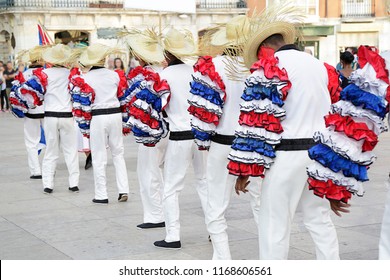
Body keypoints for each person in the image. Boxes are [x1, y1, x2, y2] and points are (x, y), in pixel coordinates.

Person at [230, 9, 340, 259]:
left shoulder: (269, 68)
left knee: (274, 226)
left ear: (265, 46)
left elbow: (254, 122)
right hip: (320, 153)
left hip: (286, 155)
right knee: (320, 221)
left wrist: (244, 169)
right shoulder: (321, 67)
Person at [188, 15, 261, 259]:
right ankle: (269, 258)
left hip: (222, 143)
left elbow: (203, 114)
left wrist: (203, 141)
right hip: (255, 145)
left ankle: (223, 259)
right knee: (262, 205)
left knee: (216, 205)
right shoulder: (260, 67)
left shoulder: (213, 66)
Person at [153, 28, 208, 249]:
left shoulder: (162, 75)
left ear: (166, 54)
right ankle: (214, 230)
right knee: (204, 183)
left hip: (179, 136)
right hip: (200, 136)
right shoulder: (196, 72)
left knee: (171, 188)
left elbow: (157, 107)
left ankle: (173, 235)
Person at [70, 44, 130, 204]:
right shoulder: (115, 75)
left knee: (98, 155)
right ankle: (123, 189)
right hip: (115, 114)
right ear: (103, 59)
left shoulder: (85, 78)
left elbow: (81, 103)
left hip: (98, 116)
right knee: (118, 153)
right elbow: (123, 95)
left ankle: (102, 194)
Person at [17, 44, 80, 194]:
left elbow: (32, 93)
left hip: (50, 115)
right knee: (70, 150)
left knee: (51, 151)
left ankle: (48, 184)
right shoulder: (70, 73)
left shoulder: (44, 73)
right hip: (66, 115)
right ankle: (73, 183)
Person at [123, 28, 169, 228]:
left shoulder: (140, 77)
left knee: (148, 171)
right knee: (166, 175)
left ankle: (155, 215)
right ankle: (167, 212)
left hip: (151, 130)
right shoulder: (165, 72)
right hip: (171, 129)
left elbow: (131, 102)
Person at [9, 46, 46, 179]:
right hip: (46, 112)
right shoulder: (46, 73)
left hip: (30, 112)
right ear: (41, 60)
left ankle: (36, 171)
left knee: (31, 142)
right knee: (51, 140)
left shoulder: (23, 75)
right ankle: (48, 168)